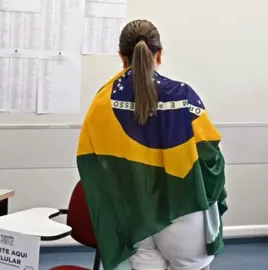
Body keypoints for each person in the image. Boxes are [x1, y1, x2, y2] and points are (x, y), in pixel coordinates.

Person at [76, 19, 227, 270]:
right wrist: (211, 197)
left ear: (122, 57)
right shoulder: (183, 96)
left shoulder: (103, 102)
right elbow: (210, 157)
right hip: (183, 207)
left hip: (134, 213)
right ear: (160, 54)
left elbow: (92, 162)